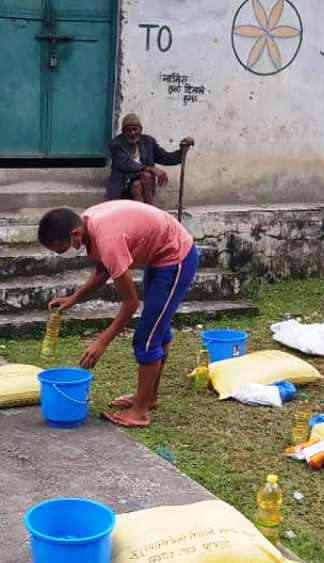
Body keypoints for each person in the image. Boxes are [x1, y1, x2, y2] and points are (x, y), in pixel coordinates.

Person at [39, 200, 198, 428]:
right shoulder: (88, 222)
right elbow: (103, 270)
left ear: (75, 232)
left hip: (176, 257)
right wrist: (74, 298)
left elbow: (130, 303)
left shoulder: (108, 239)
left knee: (147, 337)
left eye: (63, 248)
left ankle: (140, 412)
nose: (68, 252)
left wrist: (101, 342)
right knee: (156, 331)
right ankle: (148, 398)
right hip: (159, 256)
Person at [106, 113, 194, 206]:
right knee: (142, 180)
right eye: (129, 130)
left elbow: (165, 157)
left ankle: (147, 211)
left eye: (135, 129)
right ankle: (151, 209)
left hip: (144, 184)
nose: (132, 133)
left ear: (140, 130)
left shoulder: (148, 142)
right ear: (123, 131)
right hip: (123, 185)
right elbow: (126, 164)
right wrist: (151, 169)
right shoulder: (116, 144)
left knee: (140, 183)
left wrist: (183, 150)